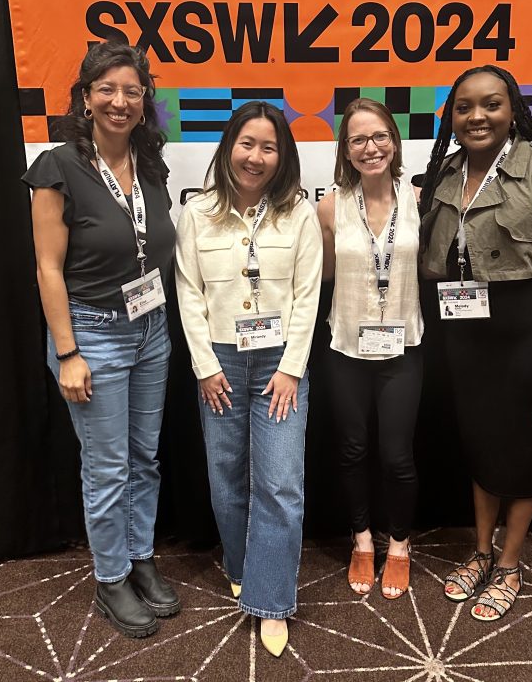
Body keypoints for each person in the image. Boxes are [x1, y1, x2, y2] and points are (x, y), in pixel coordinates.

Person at [419, 65, 532, 621]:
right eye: (464, 107)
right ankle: (480, 549)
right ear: (451, 115)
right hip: (467, 342)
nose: (477, 116)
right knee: (482, 445)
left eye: (491, 104)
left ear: (513, 108)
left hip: (530, 338)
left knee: (527, 451)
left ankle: (511, 562)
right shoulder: (444, 174)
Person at [23, 42, 179, 638]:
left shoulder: (151, 163)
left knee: (145, 457)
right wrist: (68, 352)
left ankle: (140, 559)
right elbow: (47, 268)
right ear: (86, 98)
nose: (120, 101)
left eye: (132, 91)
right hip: (93, 335)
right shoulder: (57, 167)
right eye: (107, 89)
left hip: (152, 329)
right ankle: (111, 576)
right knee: (108, 466)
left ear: (144, 101)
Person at [175, 101, 322, 657]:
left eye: (269, 147)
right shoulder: (198, 212)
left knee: (280, 481)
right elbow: (188, 291)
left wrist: (292, 368)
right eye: (247, 144)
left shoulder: (299, 213)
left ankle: (272, 598)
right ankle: (241, 566)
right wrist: (205, 367)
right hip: (220, 361)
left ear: (281, 156)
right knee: (225, 475)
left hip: (281, 363)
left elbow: (309, 296)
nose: (256, 157)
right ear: (229, 147)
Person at [317, 98, 424, 600]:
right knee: (353, 450)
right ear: (345, 149)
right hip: (345, 349)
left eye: (379, 136)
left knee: (397, 457)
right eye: (358, 139)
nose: (370, 147)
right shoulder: (330, 205)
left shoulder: (419, 198)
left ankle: (399, 546)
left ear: (394, 141)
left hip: (404, 349)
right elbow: (324, 278)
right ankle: (362, 541)